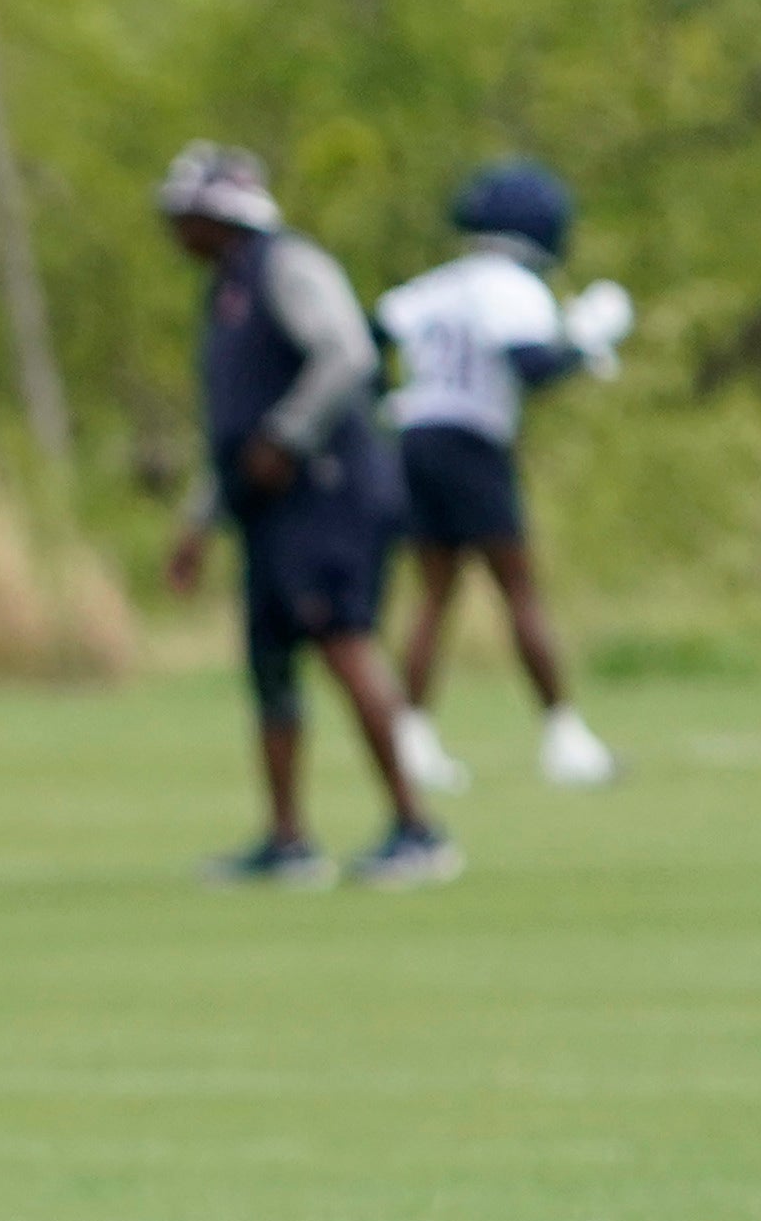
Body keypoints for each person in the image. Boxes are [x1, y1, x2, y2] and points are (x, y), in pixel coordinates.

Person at [158, 143, 453, 887]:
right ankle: (287, 838)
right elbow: (228, 425)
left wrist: (289, 435)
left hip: (327, 493)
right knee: (269, 664)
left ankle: (415, 827)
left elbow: (345, 354)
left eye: (185, 214)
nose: (174, 230)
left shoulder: (286, 266)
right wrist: (202, 517)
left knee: (343, 643)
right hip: (267, 506)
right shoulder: (225, 289)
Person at [376, 158, 629, 795]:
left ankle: (411, 737)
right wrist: (587, 341)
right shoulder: (510, 286)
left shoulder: (438, 285)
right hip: (470, 440)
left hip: (412, 435)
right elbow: (534, 366)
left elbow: (375, 332)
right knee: (518, 589)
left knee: (434, 594)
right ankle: (564, 737)